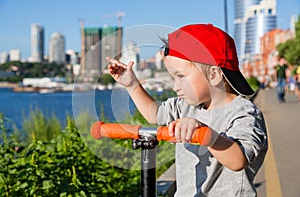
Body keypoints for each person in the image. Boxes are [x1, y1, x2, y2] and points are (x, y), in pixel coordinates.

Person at [106, 24, 268, 197]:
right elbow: (155, 114)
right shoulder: (185, 106)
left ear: (213, 75)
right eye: (173, 78)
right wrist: (132, 85)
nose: (175, 86)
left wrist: (206, 134)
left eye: (181, 76)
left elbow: (238, 160)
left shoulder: (243, 113)